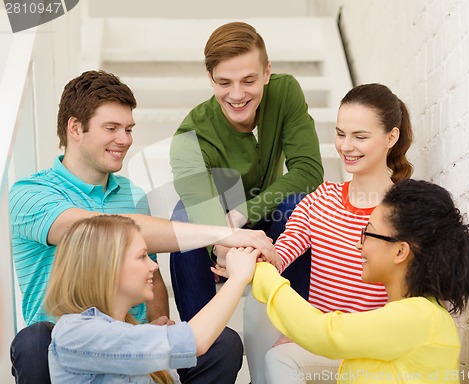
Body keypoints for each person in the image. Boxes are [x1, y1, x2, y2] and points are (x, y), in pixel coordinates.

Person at [9, 70, 275, 384]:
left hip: (132, 340)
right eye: (111, 128)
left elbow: (150, 270)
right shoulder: (30, 194)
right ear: (75, 127)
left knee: (224, 344)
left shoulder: (132, 194)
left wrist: (157, 318)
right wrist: (224, 231)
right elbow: (105, 230)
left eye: (128, 129)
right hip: (66, 348)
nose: (124, 140)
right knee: (33, 340)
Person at [241, 83, 415, 383]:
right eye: (340, 134)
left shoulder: (408, 210)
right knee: (257, 303)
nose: (346, 146)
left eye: (360, 136)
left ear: (391, 137)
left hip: (372, 346)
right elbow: (281, 254)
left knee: (281, 358)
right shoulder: (322, 198)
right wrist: (254, 253)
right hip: (321, 341)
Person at [234, 179, 469, 383]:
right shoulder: (413, 315)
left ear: (400, 252)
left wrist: (261, 271)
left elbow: (324, 332)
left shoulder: (421, 317)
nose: (358, 243)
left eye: (368, 233)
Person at [169, 21, 324, 321]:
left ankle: (302, 326)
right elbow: (203, 216)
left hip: (269, 221)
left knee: (299, 205)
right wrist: (223, 247)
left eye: (248, 80)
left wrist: (243, 213)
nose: (237, 95)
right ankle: (202, 344)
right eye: (225, 82)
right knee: (183, 216)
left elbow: (308, 171)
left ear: (267, 72)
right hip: (217, 231)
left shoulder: (285, 91)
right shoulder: (189, 137)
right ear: (210, 79)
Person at [45, 215, 260, 383]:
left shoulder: (129, 333)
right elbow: (196, 341)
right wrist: (239, 276)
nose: (154, 266)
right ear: (106, 267)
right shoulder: (76, 333)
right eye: (142, 256)